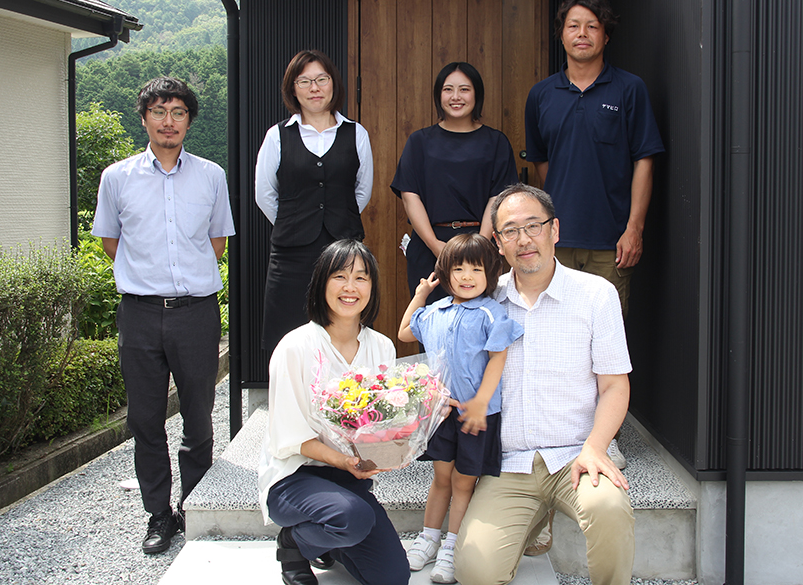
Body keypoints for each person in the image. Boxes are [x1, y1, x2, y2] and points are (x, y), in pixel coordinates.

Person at [455, 184, 634, 585]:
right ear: (498, 244)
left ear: (555, 230)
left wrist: (596, 447)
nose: (524, 239)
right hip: (510, 465)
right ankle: (534, 520)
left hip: (576, 455)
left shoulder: (595, 295)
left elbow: (614, 386)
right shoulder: (484, 302)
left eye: (533, 226)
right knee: (474, 572)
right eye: (511, 231)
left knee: (609, 508)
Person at [524, 0, 664, 481]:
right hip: (556, 242)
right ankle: (562, 434)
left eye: (591, 27)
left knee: (607, 341)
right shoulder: (542, 94)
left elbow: (644, 159)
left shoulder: (628, 90)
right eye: (573, 26)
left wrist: (634, 227)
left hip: (611, 241)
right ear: (561, 34)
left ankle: (607, 440)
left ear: (605, 34)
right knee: (556, 338)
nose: (581, 34)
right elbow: (542, 165)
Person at [92, 76, 234, 554]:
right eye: (159, 112)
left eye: (178, 112)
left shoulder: (211, 175)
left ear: (189, 120)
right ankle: (159, 515)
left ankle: (193, 506)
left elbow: (217, 242)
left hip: (195, 313)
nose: (168, 121)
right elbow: (112, 242)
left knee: (198, 414)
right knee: (146, 419)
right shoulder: (117, 177)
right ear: (144, 117)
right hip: (139, 313)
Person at [258, 240, 410, 585]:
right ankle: (295, 542)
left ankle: (332, 542)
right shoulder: (296, 347)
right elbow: (290, 437)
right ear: (322, 283)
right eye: (340, 276)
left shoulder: (382, 346)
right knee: (351, 518)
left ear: (372, 286)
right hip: (295, 478)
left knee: (392, 578)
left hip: (347, 483)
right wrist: (343, 461)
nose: (350, 287)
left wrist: (402, 440)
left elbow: (382, 423)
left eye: (361, 277)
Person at [396, 233, 523, 583]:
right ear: (446, 272)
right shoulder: (435, 311)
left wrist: (481, 401)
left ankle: (452, 547)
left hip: (476, 415)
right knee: (440, 478)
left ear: (490, 273)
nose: (467, 276)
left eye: (476, 268)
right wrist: (421, 294)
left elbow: (499, 355)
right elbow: (405, 331)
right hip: (443, 414)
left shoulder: (490, 312)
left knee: (464, 482)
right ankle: (428, 538)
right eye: (458, 268)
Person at [255, 50, 373, 361]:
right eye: (305, 81)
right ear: (293, 88)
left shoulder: (355, 133)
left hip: (343, 251)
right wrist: (293, 222)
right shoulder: (278, 135)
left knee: (342, 329)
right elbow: (265, 194)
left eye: (322, 79)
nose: (314, 87)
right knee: (289, 337)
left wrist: (338, 219)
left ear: (333, 84)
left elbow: (362, 191)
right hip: (291, 255)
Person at [391, 61, 518, 307]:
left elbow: (499, 198)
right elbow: (410, 196)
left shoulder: (496, 142)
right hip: (430, 247)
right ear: (439, 95)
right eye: (448, 89)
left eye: (464, 89)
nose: (456, 97)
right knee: (430, 324)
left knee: (482, 323)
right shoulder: (419, 142)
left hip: (481, 245)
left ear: (477, 94)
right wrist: (436, 246)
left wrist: (479, 247)